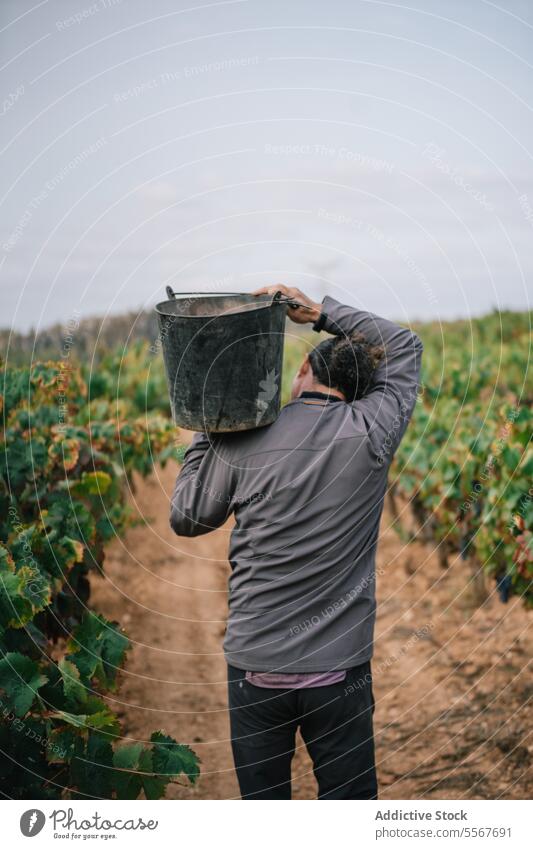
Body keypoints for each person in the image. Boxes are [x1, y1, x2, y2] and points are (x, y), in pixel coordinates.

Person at [169, 285, 423, 799]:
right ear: (358, 391)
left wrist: (208, 425)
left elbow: (187, 517)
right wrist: (324, 313)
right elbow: (406, 346)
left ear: (305, 371)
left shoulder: (242, 438)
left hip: (255, 669)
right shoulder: (372, 431)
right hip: (339, 671)